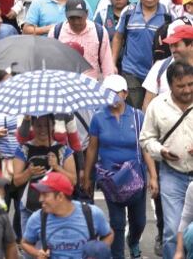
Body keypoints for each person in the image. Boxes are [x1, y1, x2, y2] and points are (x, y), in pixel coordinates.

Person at [83, 75, 155, 259]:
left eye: (115, 93)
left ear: (125, 93)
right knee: (117, 222)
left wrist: (153, 176)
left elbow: (145, 147)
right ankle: (117, 256)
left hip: (135, 177)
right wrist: (87, 177)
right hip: (110, 178)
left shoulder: (138, 117)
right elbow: (92, 149)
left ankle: (133, 241)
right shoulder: (98, 118)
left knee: (139, 221)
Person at [140, 60, 193, 259]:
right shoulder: (157, 106)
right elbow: (146, 139)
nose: (187, 90)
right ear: (170, 85)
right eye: (181, 86)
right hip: (172, 174)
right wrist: (161, 151)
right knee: (172, 231)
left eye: (191, 84)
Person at [21, 172, 114, 259]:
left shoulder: (92, 213)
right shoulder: (37, 218)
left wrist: (98, 252)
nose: (40, 199)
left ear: (60, 196)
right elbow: (25, 243)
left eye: (45, 194)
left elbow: (109, 234)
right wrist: (37, 253)